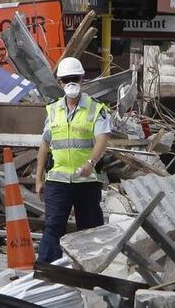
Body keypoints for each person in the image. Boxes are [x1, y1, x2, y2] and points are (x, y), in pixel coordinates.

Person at [35, 57, 110, 263]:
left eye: (74, 79)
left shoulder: (96, 109)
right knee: (52, 226)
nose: (71, 84)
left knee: (90, 228)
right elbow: (44, 144)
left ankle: (91, 270)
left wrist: (90, 163)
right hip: (58, 181)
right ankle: (47, 271)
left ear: (82, 79)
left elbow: (102, 139)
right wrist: (39, 178)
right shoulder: (53, 110)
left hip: (86, 182)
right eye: (67, 79)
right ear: (60, 83)